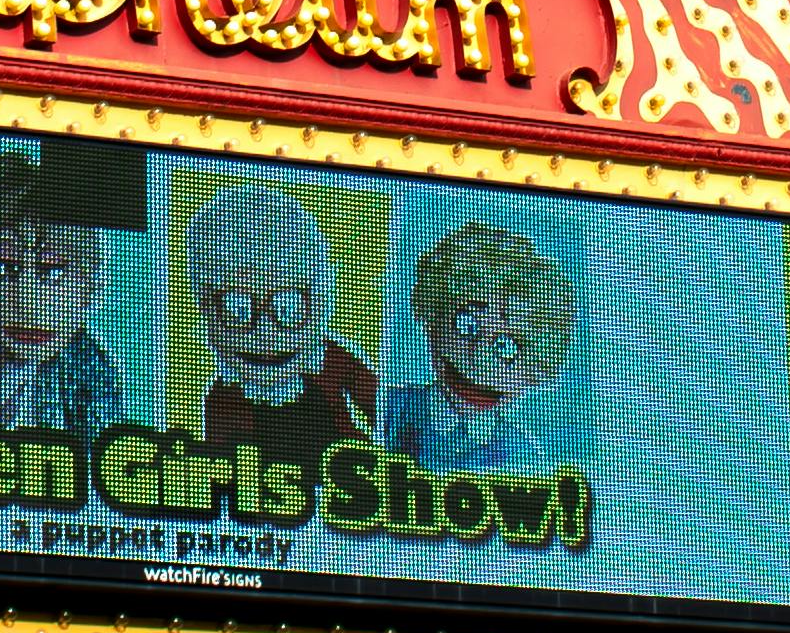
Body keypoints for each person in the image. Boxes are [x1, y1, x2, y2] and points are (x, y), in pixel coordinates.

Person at [186, 182, 375, 459]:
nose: (265, 332)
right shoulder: (223, 399)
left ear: (317, 302)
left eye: (288, 308)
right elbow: (227, 477)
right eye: (238, 309)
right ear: (207, 309)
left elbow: (384, 410)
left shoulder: (332, 362)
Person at [0, 146, 131, 440]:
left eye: (52, 271)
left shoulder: (90, 372)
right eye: (5, 268)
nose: (26, 302)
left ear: (90, 284)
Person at [384, 218, 584, 470]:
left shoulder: (520, 460)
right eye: (466, 325)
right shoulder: (387, 411)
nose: (479, 358)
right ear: (433, 319)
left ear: (535, 368)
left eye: (506, 347)